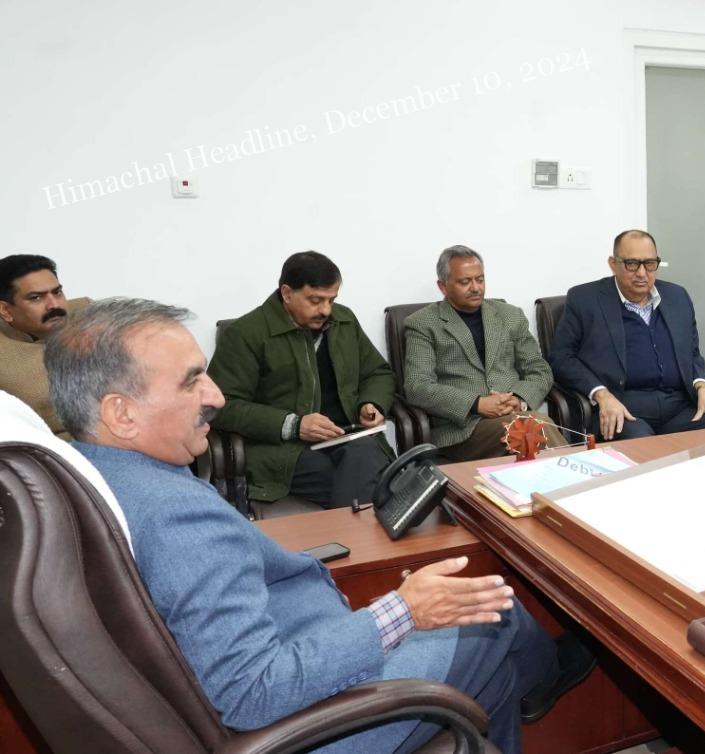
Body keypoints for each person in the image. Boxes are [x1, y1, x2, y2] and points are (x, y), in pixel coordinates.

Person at [43, 298, 594, 754]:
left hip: (306, 661)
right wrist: (402, 611)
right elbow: (253, 693)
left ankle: (518, 697)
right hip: (319, 721)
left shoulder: (96, 475)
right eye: (192, 382)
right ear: (121, 413)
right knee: (491, 610)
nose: (215, 396)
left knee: (493, 670)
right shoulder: (175, 517)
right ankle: (547, 677)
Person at [208, 251, 395, 508]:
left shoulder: (344, 321)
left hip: (347, 437)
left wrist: (370, 403)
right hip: (285, 451)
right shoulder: (246, 334)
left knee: (362, 458)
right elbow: (222, 406)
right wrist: (294, 425)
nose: (326, 310)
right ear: (287, 293)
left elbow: (377, 372)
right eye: (315, 300)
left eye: (331, 300)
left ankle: (347, 530)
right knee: (374, 475)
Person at [548, 229, 705, 440]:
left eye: (649, 264)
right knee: (640, 442)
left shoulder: (677, 297)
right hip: (622, 408)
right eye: (632, 264)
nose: (642, 273)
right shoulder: (585, 299)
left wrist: (703, 386)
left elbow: (691, 355)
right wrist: (601, 394)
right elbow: (562, 359)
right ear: (613, 264)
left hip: (679, 407)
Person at [404, 246, 565, 461]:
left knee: (529, 429)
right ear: (443, 286)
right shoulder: (423, 324)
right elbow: (417, 386)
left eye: (480, 280)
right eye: (465, 282)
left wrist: (518, 399)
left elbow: (539, 369)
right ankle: (582, 477)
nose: (475, 288)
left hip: (515, 416)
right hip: (462, 432)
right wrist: (476, 404)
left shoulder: (510, 315)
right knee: (532, 427)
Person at [0, 254, 90, 439]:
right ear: (5, 310)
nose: (54, 305)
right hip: (55, 450)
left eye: (57, 292)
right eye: (35, 298)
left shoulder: (90, 315)